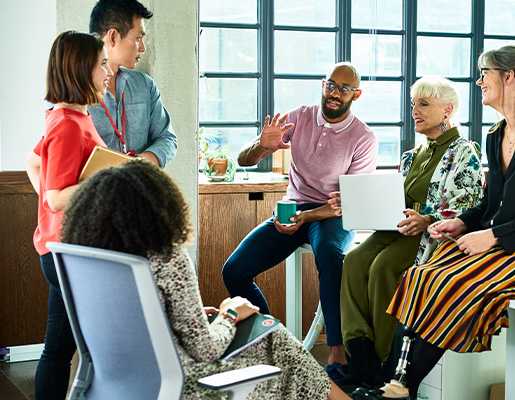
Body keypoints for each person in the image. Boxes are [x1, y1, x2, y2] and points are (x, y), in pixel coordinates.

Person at [356, 45, 515, 400]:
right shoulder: (496, 135)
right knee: (421, 275)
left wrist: (490, 236)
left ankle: (397, 391)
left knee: (450, 280)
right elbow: (491, 204)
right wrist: (461, 223)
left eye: (484, 72)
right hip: (508, 244)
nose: (478, 81)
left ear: (508, 77)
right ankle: (392, 385)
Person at [60, 161, 351, 400]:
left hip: (114, 383)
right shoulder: (168, 259)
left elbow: (138, 324)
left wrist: (198, 317)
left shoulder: (89, 262)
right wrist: (230, 312)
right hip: (185, 386)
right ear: (158, 209)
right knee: (277, 345)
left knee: (268, 335)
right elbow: (205, 350)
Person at [223, 62, 377, 368]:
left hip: (333, 215)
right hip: (294, 207)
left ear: (355, 95)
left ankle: (336, 351)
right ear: (323, 85)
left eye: (344, 89)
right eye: (331, 85)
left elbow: (348, 202)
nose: (335, 93)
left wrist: (305, 219)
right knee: (234, 270)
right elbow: (244, 160)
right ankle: (271, 341)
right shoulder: (299, 117)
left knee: (331, 257)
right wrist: (261, 145)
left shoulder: (363, 138)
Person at [334, 76, 484, 389]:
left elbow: (466, 208)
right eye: (414, 104)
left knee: (383, 267)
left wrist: (426, 219)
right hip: (397, 227)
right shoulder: (412, 154)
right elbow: (394, 200)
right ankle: (360, 358)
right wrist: (358, 203)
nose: (415, 110)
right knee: (353, 260)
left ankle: (386, 365)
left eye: (424, 104)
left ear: (448, 110)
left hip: (430, 234)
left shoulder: (463, 152)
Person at [24, 30, 113, 400]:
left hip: (63, 249)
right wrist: (110, 177)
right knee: (90, 349)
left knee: (59, 348)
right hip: (68, 253)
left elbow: (33, 162)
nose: (109, 71)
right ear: (81, 69)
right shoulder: (65, 123)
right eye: (102, 64)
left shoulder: (72, 116)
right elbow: (57, 198)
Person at [88, 0, 177, 166]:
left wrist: (141, 163)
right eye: (138, 38)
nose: (142, 47)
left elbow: (167, 138)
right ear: (113, 36)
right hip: (97, 190)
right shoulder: (76, 92)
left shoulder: (145, 85)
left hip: (140, 189)